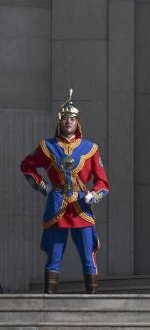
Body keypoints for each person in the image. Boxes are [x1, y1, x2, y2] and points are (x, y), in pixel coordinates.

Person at [19, 89, 110, 294]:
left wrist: (93, 194)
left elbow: (103, 182)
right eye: (65, 118)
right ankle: (49, 301)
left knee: (88, 255)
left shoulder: (90, 148)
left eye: (73, 118)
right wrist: (44, 187)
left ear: (78, 122)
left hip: (81, 206)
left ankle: (92, 299)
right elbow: (26, 166)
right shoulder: (47, 146)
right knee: (54, 255)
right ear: (60, 121)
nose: (69, 121)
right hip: (57, 204)